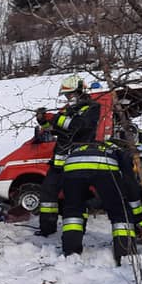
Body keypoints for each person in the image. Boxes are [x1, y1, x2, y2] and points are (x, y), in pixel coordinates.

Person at [36, 74, 101, 236]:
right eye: (66, 95)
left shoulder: (92, 108)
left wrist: (55, 118)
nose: (67, 98)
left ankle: (76, 233)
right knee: (47, 194)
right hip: (59, 161)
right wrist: (43, 121)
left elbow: (78, 127)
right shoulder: (67, 110)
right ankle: (47, 229)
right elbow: (55, 130)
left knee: (76, 197)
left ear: (80, 91)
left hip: (78, 161)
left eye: (69, 94)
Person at [60, 140, 142, 265]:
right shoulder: (120, 151)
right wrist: (138, 216)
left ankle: (70, 252)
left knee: (73, 211)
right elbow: (130, 183)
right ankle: (125, 254)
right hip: (103, 166)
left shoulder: (82, 147)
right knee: (119, 211)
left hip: (72, 166)